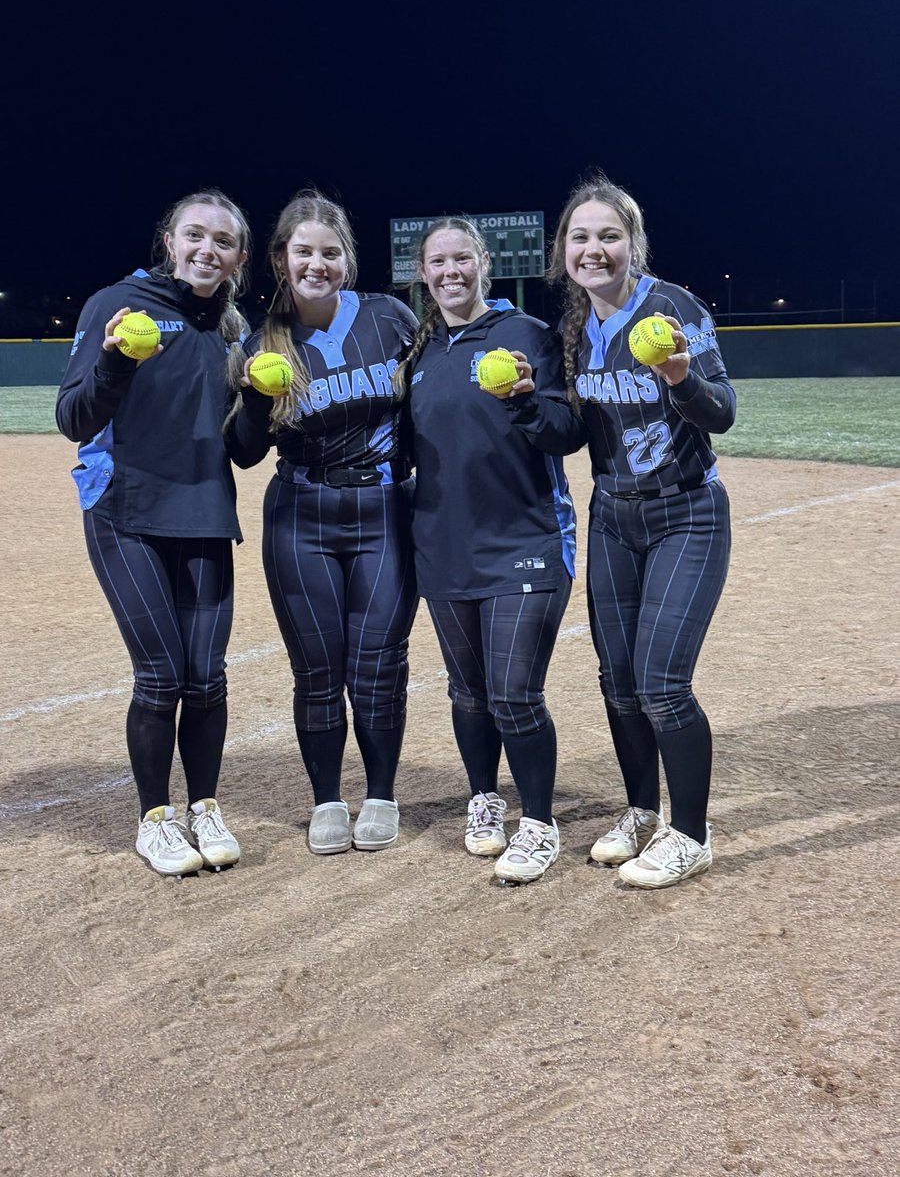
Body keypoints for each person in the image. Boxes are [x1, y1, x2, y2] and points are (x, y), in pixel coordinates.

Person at [56, 189, 268, 877]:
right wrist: (117, 360)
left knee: (206, 678)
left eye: (223, 242)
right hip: (128, 512)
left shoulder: (231, 333)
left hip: (205, 513)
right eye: (194, 236)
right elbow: (74, 417)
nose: (207, 251)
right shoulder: (119, 306)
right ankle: (156, 819)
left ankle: (203, 806)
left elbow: (241, 449)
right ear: (170, 242)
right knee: (161, 675)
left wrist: (261, 404)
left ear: (238, 257)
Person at [547, 170, 736, 888]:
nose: (594, 249)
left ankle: (691, 833)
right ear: (564, 248)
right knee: (618, 680)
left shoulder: (672, 306)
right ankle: (640, 810)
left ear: (634, 243)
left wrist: (682, 377)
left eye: (609, 236)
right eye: (581, 236)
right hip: (614, 516)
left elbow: (721, 414)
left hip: (686, 511)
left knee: (661, 683)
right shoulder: (574, 326)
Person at [395, 217, 579, 884]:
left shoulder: (529, 337)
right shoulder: (417, 355)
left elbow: (568, 433)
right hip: (443, 546)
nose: (451, 272)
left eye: (462, 258)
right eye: (438, 262)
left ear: (484, 264)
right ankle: (483, 798)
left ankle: (537, 822)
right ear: (423, 273)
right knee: (468, 692)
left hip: (524, 542)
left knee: (513, 693)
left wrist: (528, 399)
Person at [235, 191, 419, 855]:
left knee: (378, 664)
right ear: (282, 259)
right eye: (303, 251)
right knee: (316, 670)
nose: (318, 263)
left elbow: (430, 405)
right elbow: (245, 451)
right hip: (300, 515)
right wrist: (256, 396)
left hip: (384, 512)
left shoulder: (391, 317)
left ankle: (380, 794)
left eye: (330, 252)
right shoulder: (264, 340)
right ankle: (325, 802)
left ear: (348, 258)